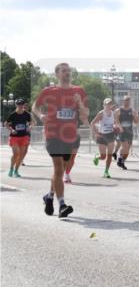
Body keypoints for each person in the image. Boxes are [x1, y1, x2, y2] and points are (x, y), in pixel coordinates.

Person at [32, 62, 87, 218]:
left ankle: (49, 196)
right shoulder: (49, 91)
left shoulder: (79, 91)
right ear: (57, 74)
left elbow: (84, 116)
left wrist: (80, 103)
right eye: (63, 71)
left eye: (68, 70)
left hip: (69, 135)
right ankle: (62, 205)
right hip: (53, 133)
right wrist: (40, 115)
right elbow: (35, 105)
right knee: (58, 168)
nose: (67, 73)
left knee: (61, 169)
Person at [90, 99, 120, 178]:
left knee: (109, 155)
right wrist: (96, 133)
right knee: (103, 157)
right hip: (101, 136)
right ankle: (97, 158)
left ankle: (106, 172)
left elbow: (116, 123)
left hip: (110, 135)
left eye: (110, 104)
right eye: (107, 104)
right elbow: (92, 123)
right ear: (104, 105)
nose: (108, 106)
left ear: (112, 105)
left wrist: (116, 126)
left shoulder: (114, 114)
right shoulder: (101, 113)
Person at [6, 98, 32, 177]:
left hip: (24, 136)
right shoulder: (13, 114)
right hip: (14, 137)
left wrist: (30, 127)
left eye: (22, 104)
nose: (20, 106)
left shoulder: (27, 114)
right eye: (19, 104)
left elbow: (32, 122)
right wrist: (12, 129)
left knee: (21, 155)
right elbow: (6, 124)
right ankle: (11, 168)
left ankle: (16, 170)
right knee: (16, 154)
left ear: (24, 105)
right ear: (16, 105)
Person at [114, 95, 139, 170]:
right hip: (122, 131)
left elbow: (136, 122)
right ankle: (120, 159)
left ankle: (122, 161)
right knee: (125, 146)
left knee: (127, 149)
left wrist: (136, 117)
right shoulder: (118, 110)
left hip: (130, 131)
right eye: (126, 100)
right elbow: (116, 121)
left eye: (128, 100)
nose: (127, 102)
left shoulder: (132, 111)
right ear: (123, 101)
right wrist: (120, 127)